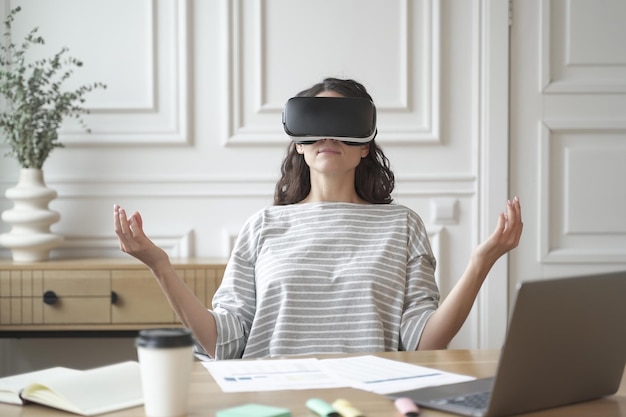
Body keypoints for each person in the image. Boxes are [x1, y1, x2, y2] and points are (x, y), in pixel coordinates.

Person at [114, 78, 523, 360]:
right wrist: (159, 265)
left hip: (368, 399)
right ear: (299, 144)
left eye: (343, 124)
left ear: (365, 146)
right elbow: (224, 344)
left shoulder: (402, 226)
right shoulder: (263, 226)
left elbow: (422, 344)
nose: (329, 137)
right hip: (273, 395)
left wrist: (480, 263)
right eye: (316, 123)